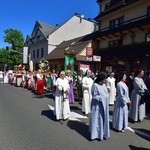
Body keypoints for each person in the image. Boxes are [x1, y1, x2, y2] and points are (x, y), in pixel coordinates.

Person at [89, 72, 110, 141]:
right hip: (97, 106)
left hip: (104, 105)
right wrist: (101, 98)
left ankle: (103, 133)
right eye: (104, 79)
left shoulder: (104, 85)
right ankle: (95, 135)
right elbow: (94, 95)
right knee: (96, 120)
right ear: (100, 79)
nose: (105, 81)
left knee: (103, 120)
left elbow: (105, 93)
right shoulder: (95, 85)